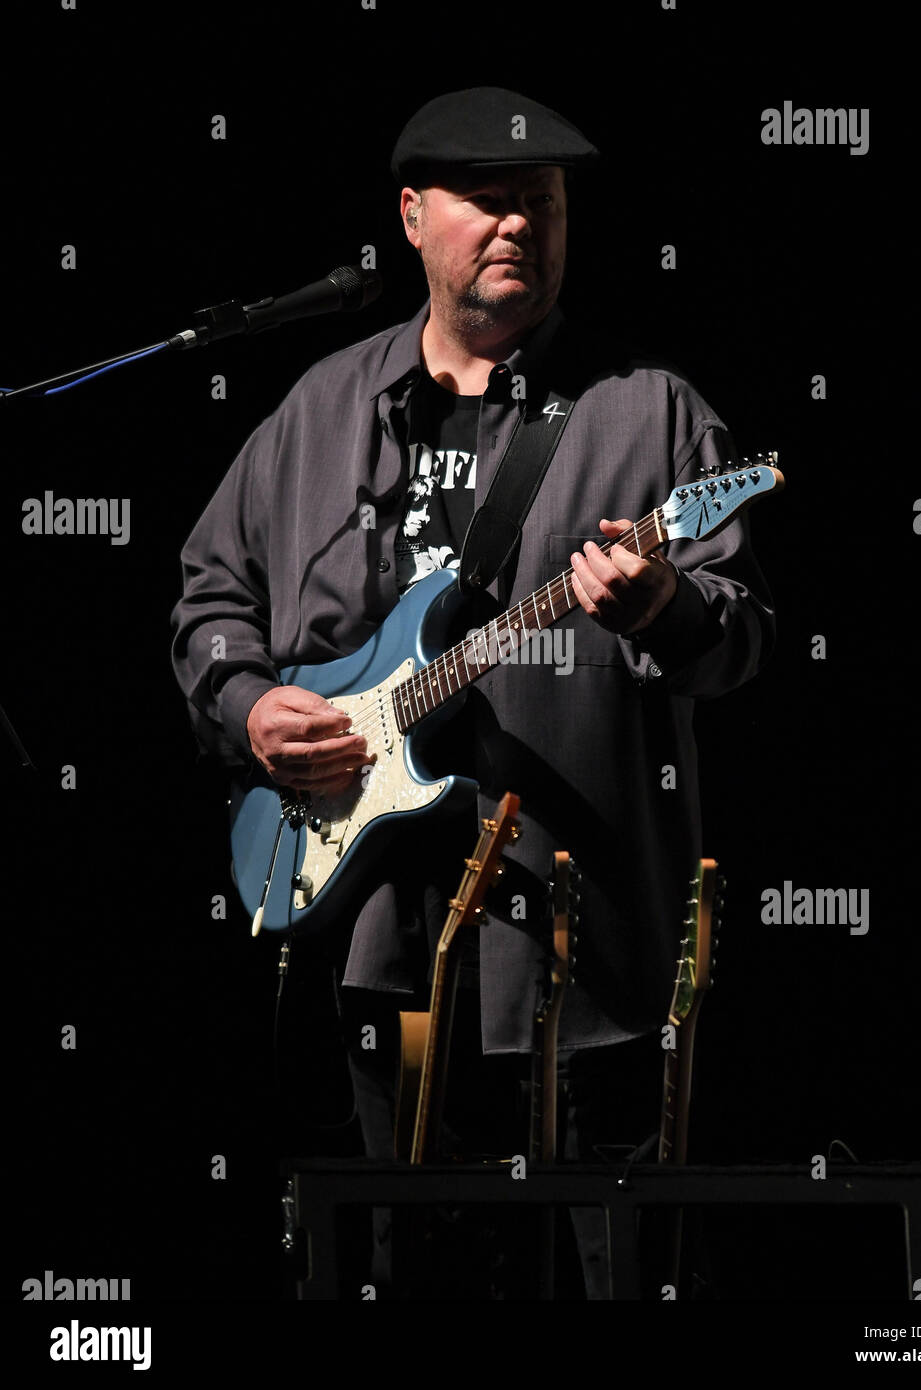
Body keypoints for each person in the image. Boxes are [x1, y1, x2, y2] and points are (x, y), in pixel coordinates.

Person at [170, 87, 775, 1298]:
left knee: (611, 1270)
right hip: (372, 943)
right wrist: (245, 706)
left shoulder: (646, 411)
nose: (517, 226)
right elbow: (207, 597)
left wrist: (663, 604)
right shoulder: (320, 412)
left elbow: (742, 637)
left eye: (540, 205)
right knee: (393, 1271)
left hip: (583, 952)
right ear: (409, 216)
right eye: (486, 201)